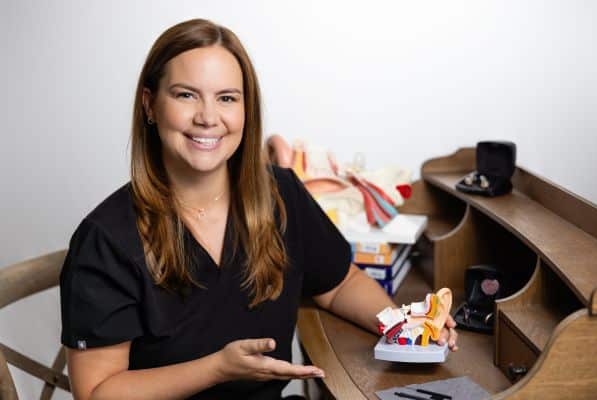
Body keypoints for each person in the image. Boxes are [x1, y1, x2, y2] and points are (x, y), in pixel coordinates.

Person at [59, 18, 458, 400]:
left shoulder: (279, 193)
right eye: (186, 95)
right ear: (150, 105)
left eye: (227, 98)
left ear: (245, 110)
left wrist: (404, 326)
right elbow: (97, 392)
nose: (208, 117)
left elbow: (339, 285)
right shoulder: (106, 238)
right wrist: (216, 368)